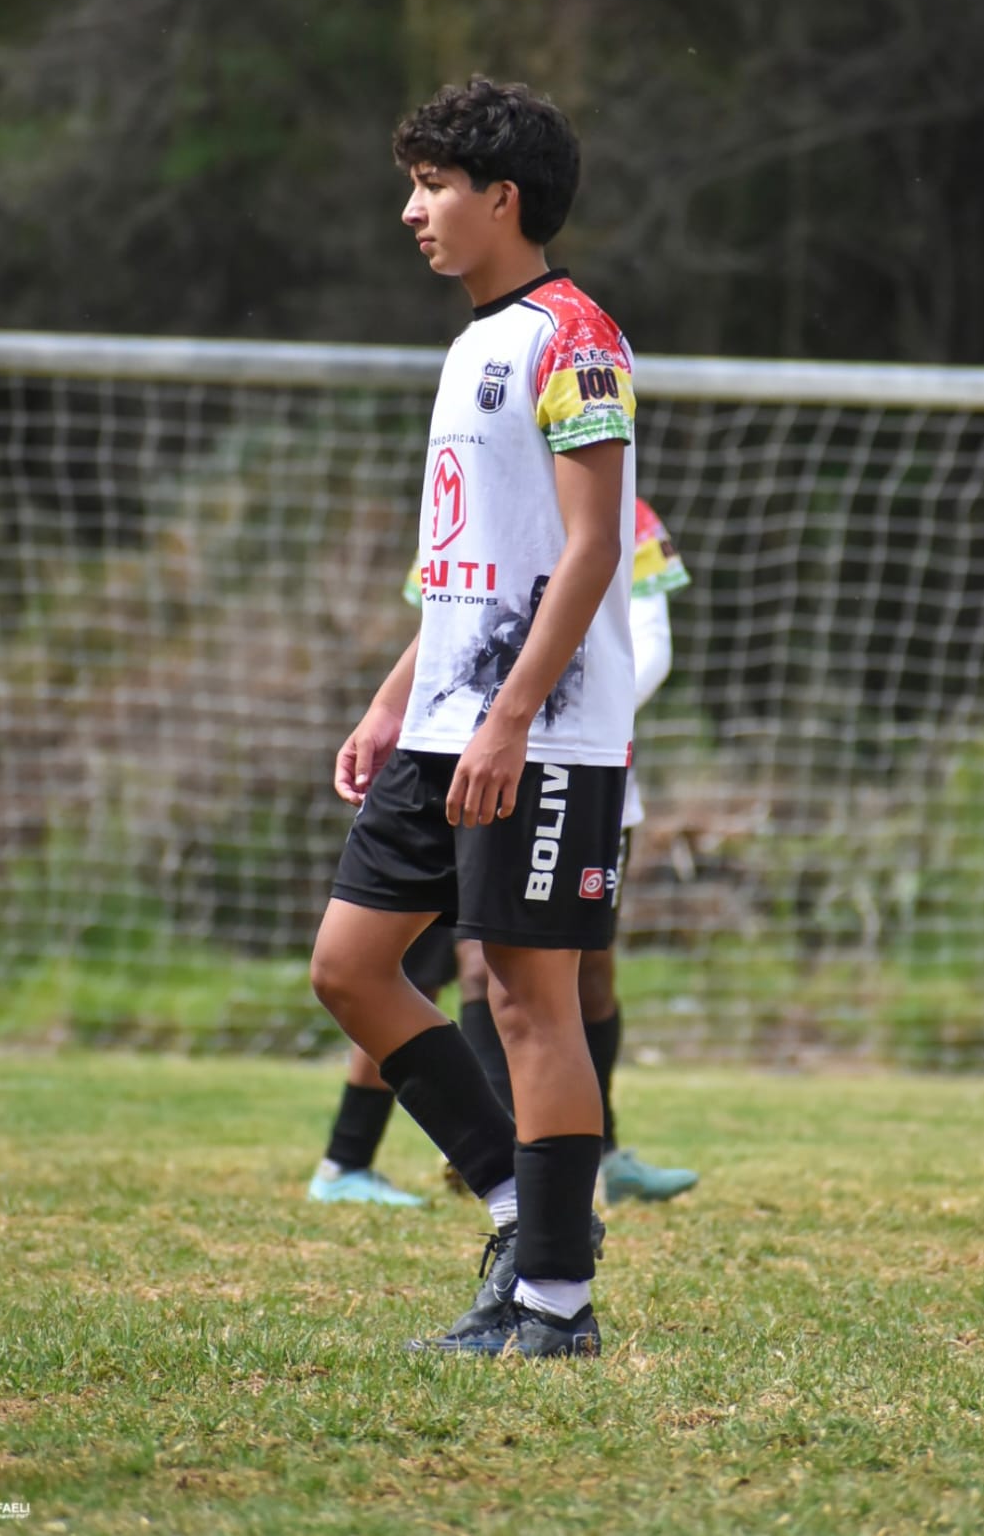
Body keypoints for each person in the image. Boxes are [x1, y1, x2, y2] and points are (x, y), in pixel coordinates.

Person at [309, 74, 636, 1358]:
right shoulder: (467, 346)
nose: (412, 210)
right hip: (445, 724)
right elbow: (468, 570)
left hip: (537, 734)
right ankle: (522, 1209)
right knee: (349, 966)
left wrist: (506, 721)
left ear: (502, 199)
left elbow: (590, 550)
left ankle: (555, 1302)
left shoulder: (576, 337)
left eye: (433, 185)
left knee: (525, 1000)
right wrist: (394, 702)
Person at [309, 499, 699, 1208]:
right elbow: (445, 624)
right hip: (452, 761)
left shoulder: (621, 513)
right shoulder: (467, 495)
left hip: (567, 763)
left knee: (578, 976)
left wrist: (548, 716)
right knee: (406, 966)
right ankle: (414, 1156)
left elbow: (647, 647)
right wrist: (407, 711)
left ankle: (590, 1156)